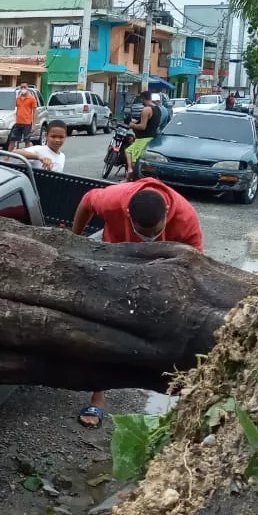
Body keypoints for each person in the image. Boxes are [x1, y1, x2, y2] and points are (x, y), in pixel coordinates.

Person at [70, 178, 204, 429]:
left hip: (160, 268)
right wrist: (75, 240)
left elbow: (196, 265)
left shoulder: (186, 218)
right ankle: (98, 395)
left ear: (166, 214)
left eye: (155, 232)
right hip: (115, 256)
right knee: (103, 324)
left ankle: (161, 382)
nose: (148, 237)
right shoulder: (113, 200)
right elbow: (87, 201)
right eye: (143, 231)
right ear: (129, 214)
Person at [124, 90, 162, 179]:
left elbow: (142, 126)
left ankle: (130, 174)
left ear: (143, 99)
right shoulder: (158, 109)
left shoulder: (146, 109)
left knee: (133, 159)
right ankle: (128, 177)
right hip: (152, 138)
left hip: (143, 139)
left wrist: (132, 125)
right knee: (129, 151)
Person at [8, 82, 38, 152]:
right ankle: (7, 157)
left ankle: (27, 158)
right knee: (12, 140)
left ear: (27, 88)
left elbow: (35, 112)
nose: (23, 89)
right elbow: (17, 109)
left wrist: (33, 125)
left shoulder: (32, 98)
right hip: (18, 123)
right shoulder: (18, 98)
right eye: (21, 87)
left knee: (27, 141)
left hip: (27, 123)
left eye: (24, 87)